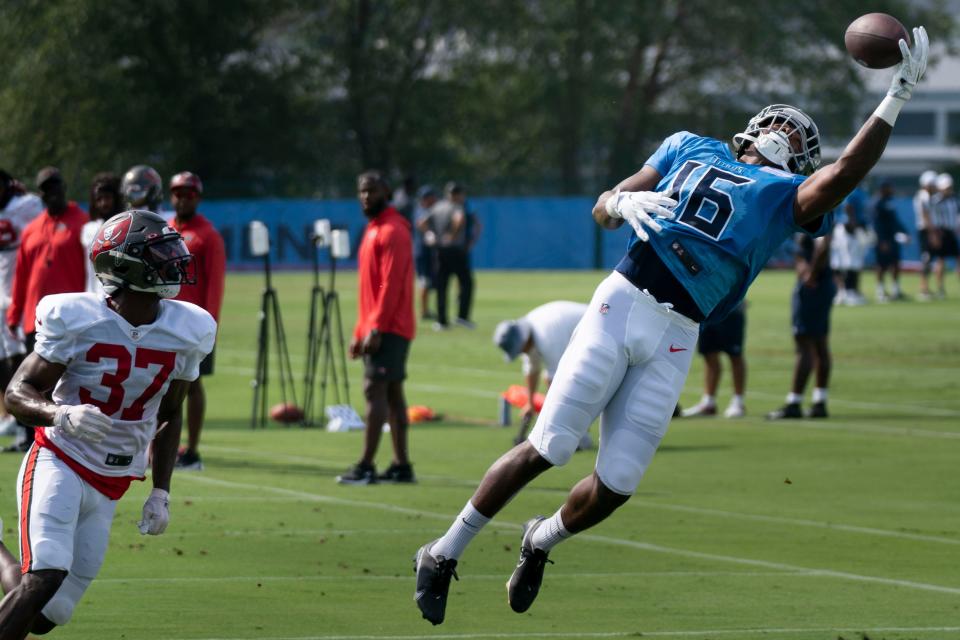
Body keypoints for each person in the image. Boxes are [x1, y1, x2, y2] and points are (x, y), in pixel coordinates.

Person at [412, 26, 928, 625]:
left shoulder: (786, 195)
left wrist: (893, 99)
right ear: (757, 126)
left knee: (619, 482)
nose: (789, 136)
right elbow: (605, 209)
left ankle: (541, 539)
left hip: (681, 330)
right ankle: (443, 552)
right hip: (626, 298)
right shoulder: (690, 146)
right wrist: (617, 201)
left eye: (801, 136)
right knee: (548, 446)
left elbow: (839, 178)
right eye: (784, 125)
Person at [0, 209, 215, 639]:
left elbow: (171, 413)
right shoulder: (78, 317)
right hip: (60, 457)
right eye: (160, 252)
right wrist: (59, 413)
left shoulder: (188, 328)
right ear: (124, 264)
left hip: (113, 479)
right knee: (45, 576)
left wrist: (161, 490)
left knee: (47, 614)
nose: (175, 258)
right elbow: (16, 394)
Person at [337, 171, 415, 485]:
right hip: (378, 324)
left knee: (375, 389)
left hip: (391, 325)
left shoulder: (394, 230)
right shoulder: (374, 229)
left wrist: (377, 326)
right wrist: (360, 330)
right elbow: (369, 289)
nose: (366, 196)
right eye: (362, 191)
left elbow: (391, 283)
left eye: (372, 190)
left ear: (387, 192)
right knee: (393, 394)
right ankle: (401, 465)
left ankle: (366, 465)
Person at [5, 168, 89, 453]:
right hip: (36, 317)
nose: (50, 193)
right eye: (44, 189)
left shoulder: (82, 223)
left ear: (64, 187)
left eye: (54, 187)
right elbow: (22, 275)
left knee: (65, 382)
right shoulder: (32, 228)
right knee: (33, 382)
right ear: (39, 193)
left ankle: (62, 438)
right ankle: (31, 439)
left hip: (74, 319)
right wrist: (15, 313)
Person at [166, 172, 226, 472]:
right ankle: (161, 444)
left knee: (193, 383)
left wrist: (210, 324)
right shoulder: (166, 229)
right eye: (177, 193)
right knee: (163, 383)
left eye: (188, 193)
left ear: (197, 197)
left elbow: (215, 284)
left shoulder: (208, 235)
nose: (182, 198)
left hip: (194, 323)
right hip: (165, 320)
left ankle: (193, 450)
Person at [492, 301, 593, 447]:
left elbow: (559, 381)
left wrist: (557, 416)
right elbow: (532, 368)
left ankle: (580, 432)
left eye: (520, 349)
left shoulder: (547, 338)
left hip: (597, 331)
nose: (521, 352)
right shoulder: (529, 332)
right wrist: (530, 403)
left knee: (581, 384)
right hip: (581, 336)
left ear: (523, 341)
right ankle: (577, 429)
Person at [766, 233, 834, 420]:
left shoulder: (817, 213)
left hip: (813, 286)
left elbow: (824, 242)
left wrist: (811, 274)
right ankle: (819, 402)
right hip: (822, 283)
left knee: (804, 344)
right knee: (820, 343)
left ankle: (794, 403)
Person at [0, 171, 42, 437]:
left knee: (19, 357)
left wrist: (24, 193)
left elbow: (41, 206)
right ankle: (12, 414)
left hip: (15, 292)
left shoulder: (24, 205)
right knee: (2, 358)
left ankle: (24, 416)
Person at [680, 301, 747, 418]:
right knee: (709, 354)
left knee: (734, 354)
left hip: (731, 308)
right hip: (707, 308)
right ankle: (708, 402)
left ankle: (738, 402)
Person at [422, 182, 474, 330]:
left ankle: (441, 321)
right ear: (457, 194)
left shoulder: (437, 206)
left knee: (441, 285)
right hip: (455, 250)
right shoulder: (457, 206)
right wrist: (453, 235)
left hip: (439, 250)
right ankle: (462, 317)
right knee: (466, 282)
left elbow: (422, 222)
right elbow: (459, 219)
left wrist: (429, 233)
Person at [81, 173, 124, 295]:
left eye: (107, 197)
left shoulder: (127, 226)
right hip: (96, 297)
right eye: (99, 199)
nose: (103, 203)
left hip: (123, 299)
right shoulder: (88, 230)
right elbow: (89, 271)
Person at [830, 185, 868, 306]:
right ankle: (848, 292)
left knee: (841, 262)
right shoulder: (852, 189)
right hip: (848, 229)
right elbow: (848, 206)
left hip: (845, 228)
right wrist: (853, 225)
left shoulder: (857, 190)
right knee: (850, 262)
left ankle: (842, 292)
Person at [871, 181, 908, 302]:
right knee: (881, 265)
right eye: (889, 187)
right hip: (883, 239)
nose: (892, 189)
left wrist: (905, 231)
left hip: (893, 238)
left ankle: (896, 290)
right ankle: (880, 290)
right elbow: (877, 224)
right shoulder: (877, 203)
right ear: (883, 188)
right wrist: (882, 240)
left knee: (896, 263)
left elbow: (895, 220)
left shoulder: (890, 201)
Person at [929, 173, 959, 298]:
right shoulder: (936, 201)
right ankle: (940, 288)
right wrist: (935, 235)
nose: (948, 190)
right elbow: (933, 219)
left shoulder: (955, 200)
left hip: (952, 232)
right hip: (941, 232)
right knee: (941, 260)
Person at [414, 185, 440, 321]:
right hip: (423, 252)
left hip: (428, 252)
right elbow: (421, 223)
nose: (435, 199)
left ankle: (427, 310)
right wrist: (429, 233)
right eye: (432, 197)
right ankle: (423, 311)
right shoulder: (422, 210)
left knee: (431, 282)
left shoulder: (429, 209)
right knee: (424, 281)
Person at [912, 170, 938, 301]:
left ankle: (925, 287)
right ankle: (923, 288)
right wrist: (932, 234)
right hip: (925, 231)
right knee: (926, 259)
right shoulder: (923, 197)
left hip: (926, 230)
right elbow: (926, 216)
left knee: (928, 260)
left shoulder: (926, 196)